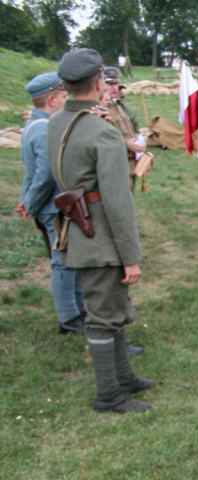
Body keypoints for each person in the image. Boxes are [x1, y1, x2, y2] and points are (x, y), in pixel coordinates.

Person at [47, 48, 154, 413]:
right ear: (98, 83)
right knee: (103, 316)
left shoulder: (58, 121)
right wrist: (131, 257)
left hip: (77, 227)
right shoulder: (102, 131)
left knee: (111, 309)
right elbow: (118, 203)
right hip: (101, 236)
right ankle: (108, 394)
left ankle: (124, 379)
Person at [16, 71, 87, 335]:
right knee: (63, 262)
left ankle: (78, 311)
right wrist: (31, 204)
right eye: (63, 96)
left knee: (70, 259)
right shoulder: (45, 128)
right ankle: (69, 318)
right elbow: (44, 174)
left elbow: (31, 172)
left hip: (47, 204)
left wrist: (26, 200)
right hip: (52, 206)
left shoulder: (33, 125)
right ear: (53, 100)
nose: (67, 100)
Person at [102, 67, 145, 192]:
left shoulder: (117, 106)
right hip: (116, 165)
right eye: (109, 84)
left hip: (129, 163)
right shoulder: (99, 109)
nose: (114, 87)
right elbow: (102, 139)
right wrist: (126, 144)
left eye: (116, 84)